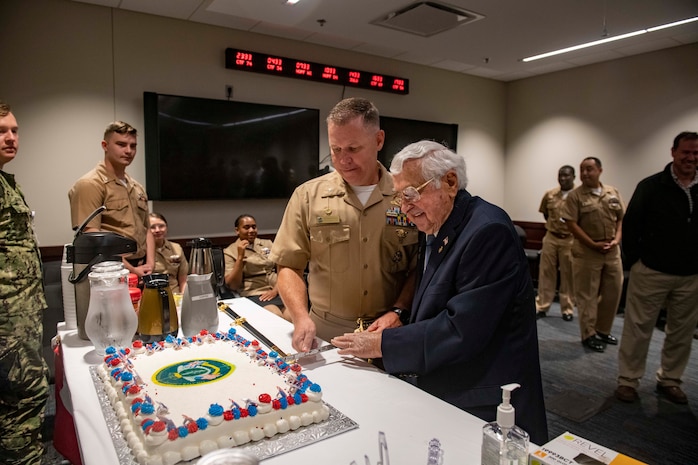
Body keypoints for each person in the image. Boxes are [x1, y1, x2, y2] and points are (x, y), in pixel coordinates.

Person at [331, 140, 548, 445]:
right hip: (447, 380)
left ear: (449, 181)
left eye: (410, 194)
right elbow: (434, 290)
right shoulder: (437, 222)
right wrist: (400, 314)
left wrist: (383, 345)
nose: (404, 208)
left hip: (485, 401)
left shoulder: (488, 231)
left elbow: (462, 330)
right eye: (399, 197)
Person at [270, 97, 419, 351]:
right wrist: (300, 316)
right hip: (326, 335)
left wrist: (400, 310)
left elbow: (420, 266)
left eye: (353, 149)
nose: (342, 160)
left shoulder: (406, 196)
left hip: (387, 336)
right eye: (336, 149)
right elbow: (288, 266)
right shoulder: (308, 196)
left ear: (379, 140)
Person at [615, 131, 698, 404]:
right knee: (638, 329)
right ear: (673, 152)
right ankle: (628, 380)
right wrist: (638, 261)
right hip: (651, 271)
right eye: (686, 152)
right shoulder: (651, 186)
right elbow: (631, 226)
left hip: (691, 276)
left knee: (682, 333)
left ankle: (670, 380)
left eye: (696, 153)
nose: (691, 158)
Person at [0, 101, 50, 465]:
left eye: (15, 130)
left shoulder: (5, 181)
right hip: (7, 322)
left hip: (20, 315)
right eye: (2, 131)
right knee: (24, 400)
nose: (11, 137)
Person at [68, 121, 154, 278]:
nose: (128, 151)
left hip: (141, 268)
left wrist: (150, 264)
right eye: (121, 144)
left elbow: (146, 228)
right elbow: (92, 236)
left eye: (133, 146)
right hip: (109, 270)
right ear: (105, 145)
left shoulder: (137, 187)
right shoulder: (90, 184)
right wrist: (133, 271)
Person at [561, 157, 625, 353]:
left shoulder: (612, 192)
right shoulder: (575, 196)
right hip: (587, 252)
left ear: (600, 170)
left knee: (612, 292)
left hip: (612, 252)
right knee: (587, 295)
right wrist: (592, 244)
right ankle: (588, 334)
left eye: (589, 169)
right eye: (582, 170)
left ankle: (603, 330)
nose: (585, 173)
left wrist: (616, 240)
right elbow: (571, 224)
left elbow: (620, 218)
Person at [224, 214, 289, 321]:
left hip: (278, 289)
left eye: (254, 227)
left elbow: (282, 267)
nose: (251, 230)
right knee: (276, 316)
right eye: (246, 227)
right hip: (256, 293)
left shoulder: (267, 243)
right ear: (237, 230)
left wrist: (276, 290)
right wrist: (240, 257)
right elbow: (233, 285)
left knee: (292, 317)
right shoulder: (230, 251)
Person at [535, 165, 576, 321]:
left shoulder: (578, 196)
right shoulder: (550, 194)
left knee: (568, 274)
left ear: (573, 177)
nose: (563, 178)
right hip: (551, 236)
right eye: (560, 175)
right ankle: (542, 305)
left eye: (566, 175)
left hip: (570, 238)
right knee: (546, 272)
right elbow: (546, 214)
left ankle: (567, 308)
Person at [149, 212, 188, 293]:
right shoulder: (142, 251)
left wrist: (183, 300)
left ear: (166, 227)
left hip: (175, 295)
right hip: (152, 295)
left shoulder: (176, 248)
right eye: (152, 227)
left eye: (161, 226)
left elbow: (183, 280)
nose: (158, 230)